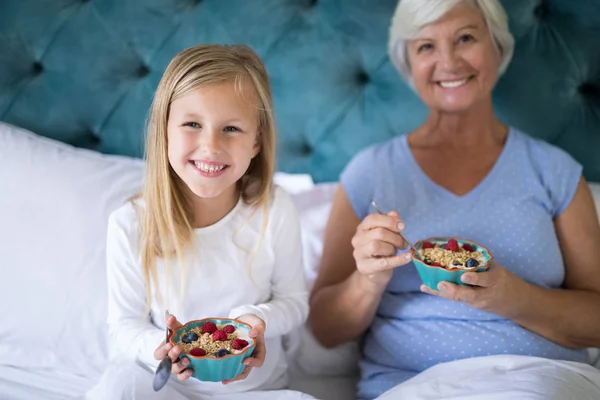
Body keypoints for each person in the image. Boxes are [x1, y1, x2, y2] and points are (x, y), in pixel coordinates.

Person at [308, 1, 600, 399]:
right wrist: (367, 281)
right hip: (408, 386)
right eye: (426, 46)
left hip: (537, 380)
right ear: (409, 64)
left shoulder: (555, 171)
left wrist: (512, 297)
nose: (448, 61)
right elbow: (324, 329)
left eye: (465, 38)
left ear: (497, 48)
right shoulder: (369, 172)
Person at [91, 44, 311, 400]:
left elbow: (295, 302)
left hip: (255, 391)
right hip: (164, 387)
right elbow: (123, 326)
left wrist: (256, 318)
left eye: (232, 128)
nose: (210, 146)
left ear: (257, 141)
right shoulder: (130, 223)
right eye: (192, 124)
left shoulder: (275, 208)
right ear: (165, 130)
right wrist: (161, 345)